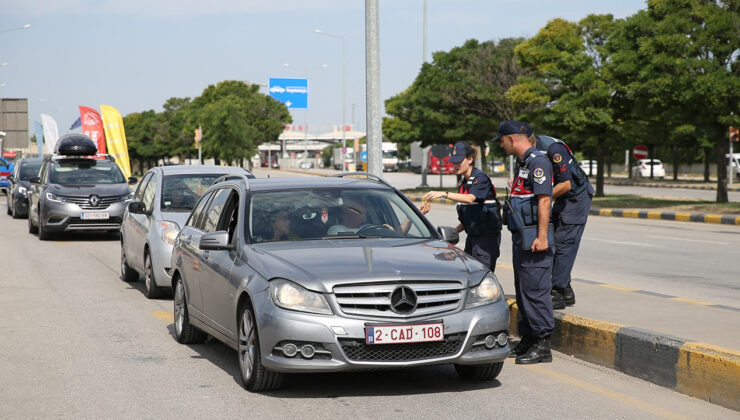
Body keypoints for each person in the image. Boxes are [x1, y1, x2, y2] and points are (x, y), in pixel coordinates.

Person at [495, 120, 554, 365]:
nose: (501, 145)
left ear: (512, 138)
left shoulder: (538, 161)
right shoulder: (525, 163)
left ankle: (542, 345)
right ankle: (528, 338)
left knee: (536, 291)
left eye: (501, 140)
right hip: (522, 237)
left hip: (534, 238)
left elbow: (544, 201)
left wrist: (541, 237)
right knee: (524, 290)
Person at [421, 141, 501, 273]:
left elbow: (470, 198)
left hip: (486, 240)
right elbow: (468, 218)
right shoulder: (463, 183)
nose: (455, 165)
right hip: (472, 239)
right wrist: (451, 233)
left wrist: (444, 194)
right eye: (453, 161)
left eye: (459, 161)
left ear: (470, 159)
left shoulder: (480, 179)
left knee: (481, 276)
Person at [534, 134, 594, 309]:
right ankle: (565, 289)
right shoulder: (533, 151)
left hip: (576, 197)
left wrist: (541, 198)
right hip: (564, 197)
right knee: (556, 240)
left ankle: (556, 291)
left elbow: (566, 184)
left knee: (564, 244)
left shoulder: (552, 149)